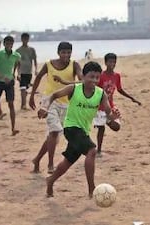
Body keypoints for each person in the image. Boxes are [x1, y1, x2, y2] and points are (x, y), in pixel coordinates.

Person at [37, 61, 120, 198]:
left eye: (97, 78)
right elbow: (53, 95)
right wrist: (45, 107)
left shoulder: (101, 94)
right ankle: (91, 189)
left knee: (68, 161)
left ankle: (50, 181)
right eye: (91, 77)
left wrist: (113, 117)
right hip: (71, 127)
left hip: (84, 131)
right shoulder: (74, 89)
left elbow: (108, 114)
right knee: (92, 150)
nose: (94, 80)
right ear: (83, 77)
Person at [29, 41, 82, 174]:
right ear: (58, 53)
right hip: (49, 101)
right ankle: (50, 164)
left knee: (54, 136)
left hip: (66, 104)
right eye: (63, 52)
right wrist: (31, 96)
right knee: (55, 131)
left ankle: (37, 159)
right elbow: (38, 78)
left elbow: (82, 81)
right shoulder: (49, 64)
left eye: (68, 52)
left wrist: (65, 82)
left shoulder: (74, 65)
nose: (66, 55)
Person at [93, 53, 141, 157]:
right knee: (101, 128)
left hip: (110, 106)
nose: (112, 64)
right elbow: (95, 90)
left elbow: (119, 89)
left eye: (114, 62)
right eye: (110, 62)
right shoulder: (101, 75)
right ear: (105, 63)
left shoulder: (116, 76)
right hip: (99, 107)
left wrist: (131, 98)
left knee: (116, 127)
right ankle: (99, 150)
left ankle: (106, 120)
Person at [16, 32, 37, 110]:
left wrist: (36, 70)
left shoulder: (31, 50)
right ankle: (23, 105)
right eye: (24, 39)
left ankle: (24, 101)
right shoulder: (18, 50)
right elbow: (17, 63)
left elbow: (34, 60)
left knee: (26, 88)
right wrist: (17, 73)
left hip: (29, 73)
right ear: (21, 39)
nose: (25, 40)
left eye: (26, 39)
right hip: (22, 72)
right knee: (23, 88)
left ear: (28, 39)